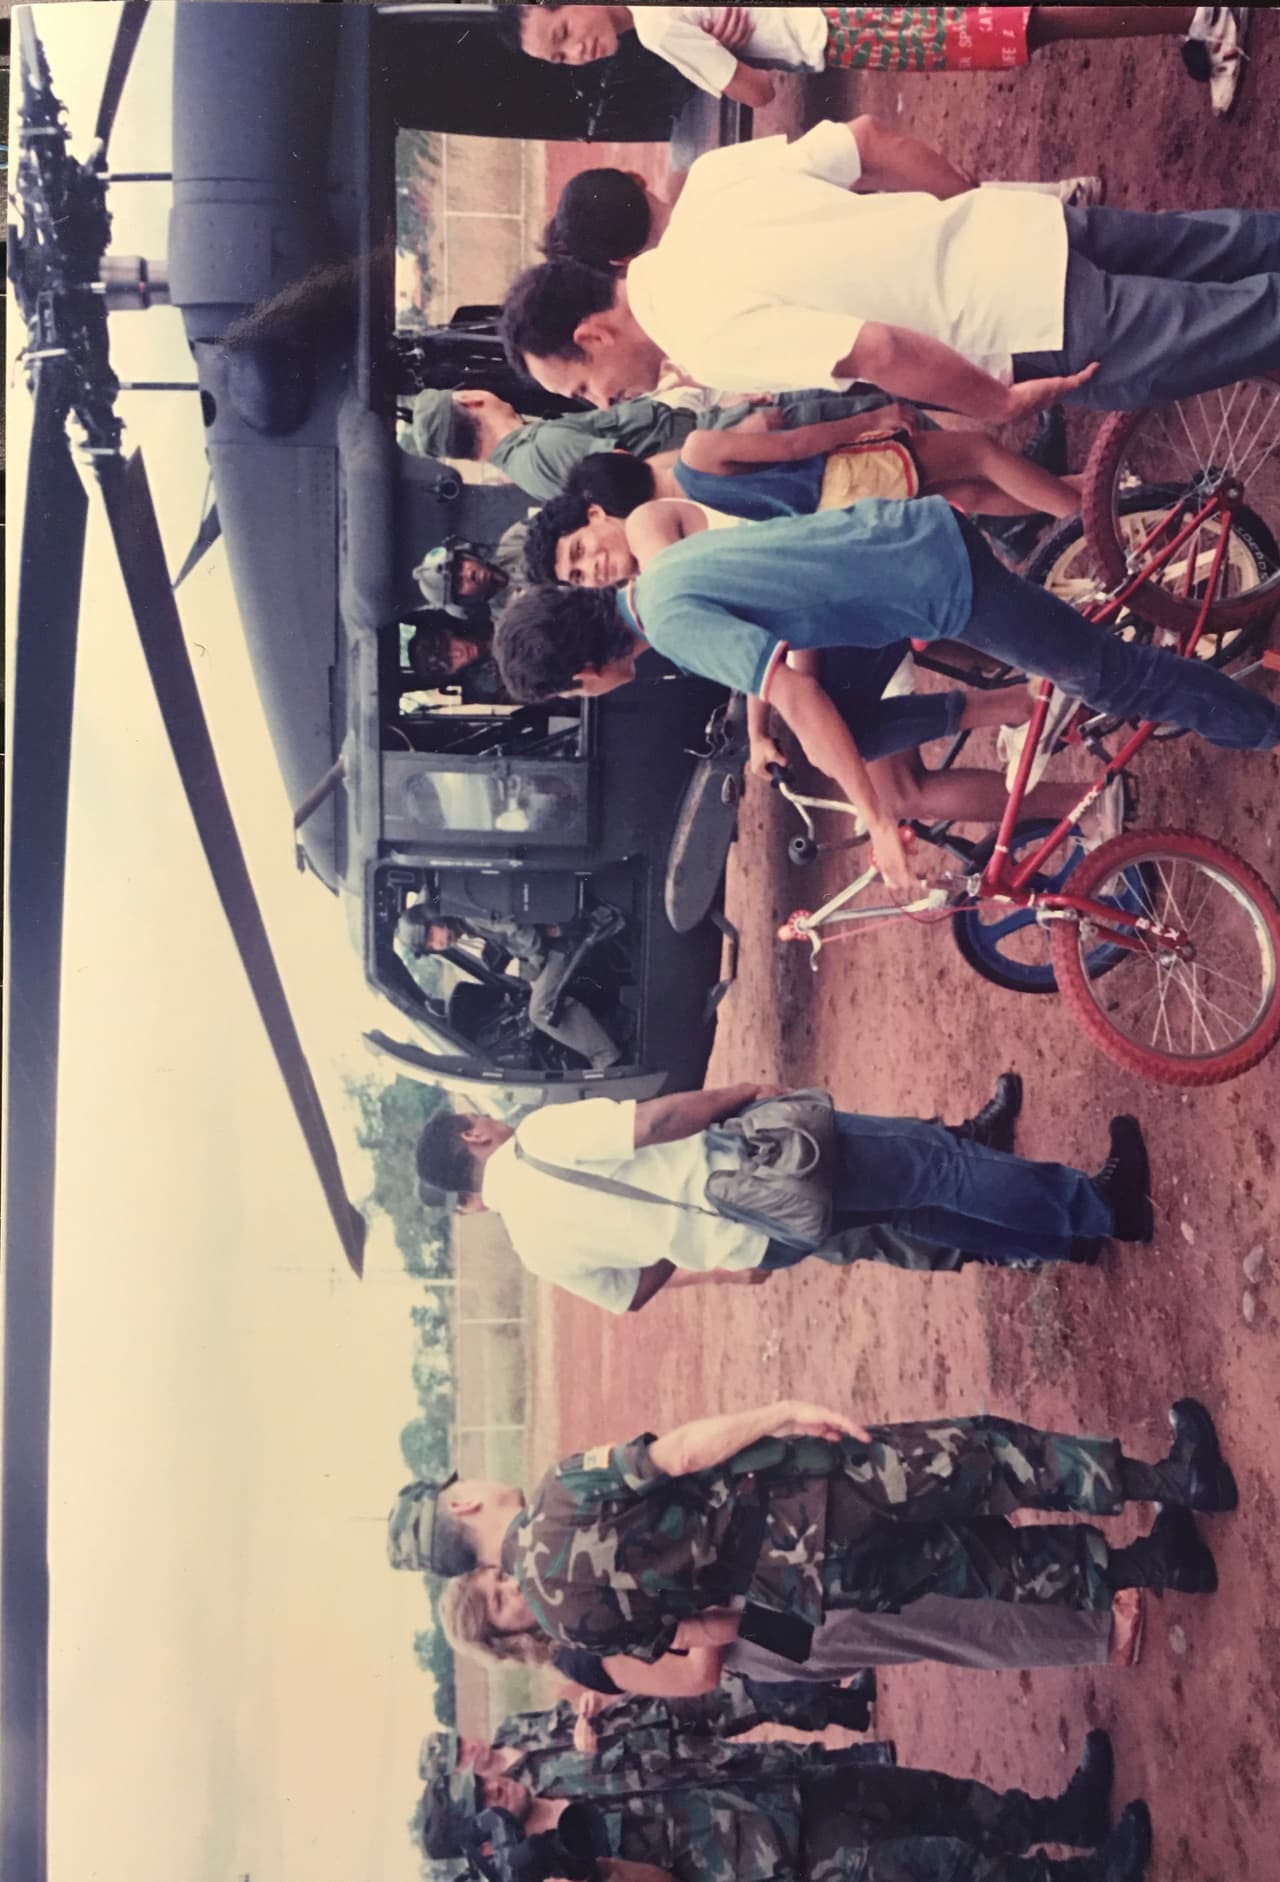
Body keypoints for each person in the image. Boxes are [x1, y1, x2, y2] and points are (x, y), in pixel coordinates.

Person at [492, 490, 1280, 891]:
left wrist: (875, 818)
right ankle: (1032, 699)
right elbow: (791, 672)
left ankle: (1262, 726)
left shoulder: (667, 623)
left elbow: (799, 697)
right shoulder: (657, 586)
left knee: (1117, 675)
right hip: (903, 544)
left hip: (930, 575)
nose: (589, 698)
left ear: (582, 674)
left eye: (574, 694)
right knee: (851, 733)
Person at [499, 116, 1280, 418]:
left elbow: (882, 351)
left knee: (1242, 324)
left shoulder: (698, 335)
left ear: (594, 334)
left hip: (1023, 320)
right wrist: (964, 210)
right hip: (1020, 230)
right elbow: (870, 141)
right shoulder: (710, 180)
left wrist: (995, 403)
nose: (602, 403)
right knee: (1222, 247)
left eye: (581, 389)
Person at [521, 448, 1126, 837]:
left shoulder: (654, 556)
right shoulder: (649, 598)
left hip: (845, 571)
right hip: (841, 582)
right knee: (865, 744)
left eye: (580, 553)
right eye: (576, 575)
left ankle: (1081, 788)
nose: (592, 568)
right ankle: (1042, 709)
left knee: (891, 785)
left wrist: (869, 812)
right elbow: (751, 645)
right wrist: (759, 730)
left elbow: (761, 642)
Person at [386, 1395, 1234, 1652]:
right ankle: (1176, 1479)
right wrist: (775, 1413)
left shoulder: (570, 1630)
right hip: (812, 1500)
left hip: (804, 1582)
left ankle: (1159, 1566)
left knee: (982, 1566)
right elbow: (677, 1453)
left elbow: (707, 1627)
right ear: (461, 1505)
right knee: (988, 1460)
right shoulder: (557, 1494)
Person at [412, 1072, 1155, 1307]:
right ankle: (1099, 1207)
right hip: (763, 1164)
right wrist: (742, 1090)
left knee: (916, 1206)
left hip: (761, 1233)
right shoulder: (536, 1138)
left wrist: (681, 1236)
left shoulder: (534, 1247)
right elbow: (656, 1120)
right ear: (472, 1138)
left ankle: (1065, 1239)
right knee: (934, 1164)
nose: (491, 1118)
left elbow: (631, 1294)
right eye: (478, 1119)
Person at [419, 1720, 1150, 1882]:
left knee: (944, 1800)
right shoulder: (555, 1871)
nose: (495, 1783)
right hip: (783, 1864)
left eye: (482, 1780)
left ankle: (1066, 1817)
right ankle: (1094, 1877)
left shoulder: (556, 1768)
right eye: (481, 1801)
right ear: (485, 1841)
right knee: (947, 1868)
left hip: (785, 1788)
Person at [442, 1564, 1145, 1685]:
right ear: (506, 1640)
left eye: (500, 1580)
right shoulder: (577, 1653)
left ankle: (1082, 1626)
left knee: (928, 1612)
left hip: (768, 1604)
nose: (513, 1588)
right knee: (935, 1624)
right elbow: (694, 1677)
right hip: (769, 1629)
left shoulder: (570, 1589)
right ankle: (1097, 1638)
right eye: (501, 1603)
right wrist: (708, 1616)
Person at [498, 3, 1246, 115]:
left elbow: (757, 94)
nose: (579, 52)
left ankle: (1203, 16)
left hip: (846, 29)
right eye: (563, 61)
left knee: (1027, 26)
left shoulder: (661, 34)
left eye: (562, 31)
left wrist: (733, 61)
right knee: (1026, 19)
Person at [399, 383, 917, 507]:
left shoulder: (530, 462)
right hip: (742, 447)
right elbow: (636, 475)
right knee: (880, 421)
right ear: (468, 401)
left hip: (730, 450)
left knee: (881, 424)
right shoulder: (542, 449)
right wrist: (737, 432)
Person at [394, 905, 624, 1073]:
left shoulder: (470, 915)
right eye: (431, 946)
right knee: (529, 991)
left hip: (559, 946)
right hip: (550, 946)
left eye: (432, 936)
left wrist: (535, 964)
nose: (439, 945)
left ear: (433, 918)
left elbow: (521, 932)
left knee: (540, 1011)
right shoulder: (466, 923)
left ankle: (606, 1058)